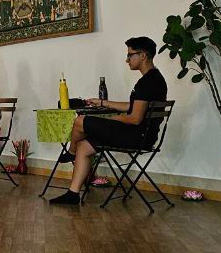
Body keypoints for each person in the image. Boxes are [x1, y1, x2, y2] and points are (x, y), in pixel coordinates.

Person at [49, 37, 167, 205]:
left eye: (130, 55)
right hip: (144, 135)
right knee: (84, 146)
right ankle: (73, 194)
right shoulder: (155, 79)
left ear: (143, 56)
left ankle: (71, 153)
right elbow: (132, 106)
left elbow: (134, 118)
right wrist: (103, 103)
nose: (127, 60)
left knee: (80, 121)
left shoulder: (147, 82)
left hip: (136, 136)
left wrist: (108, 118)